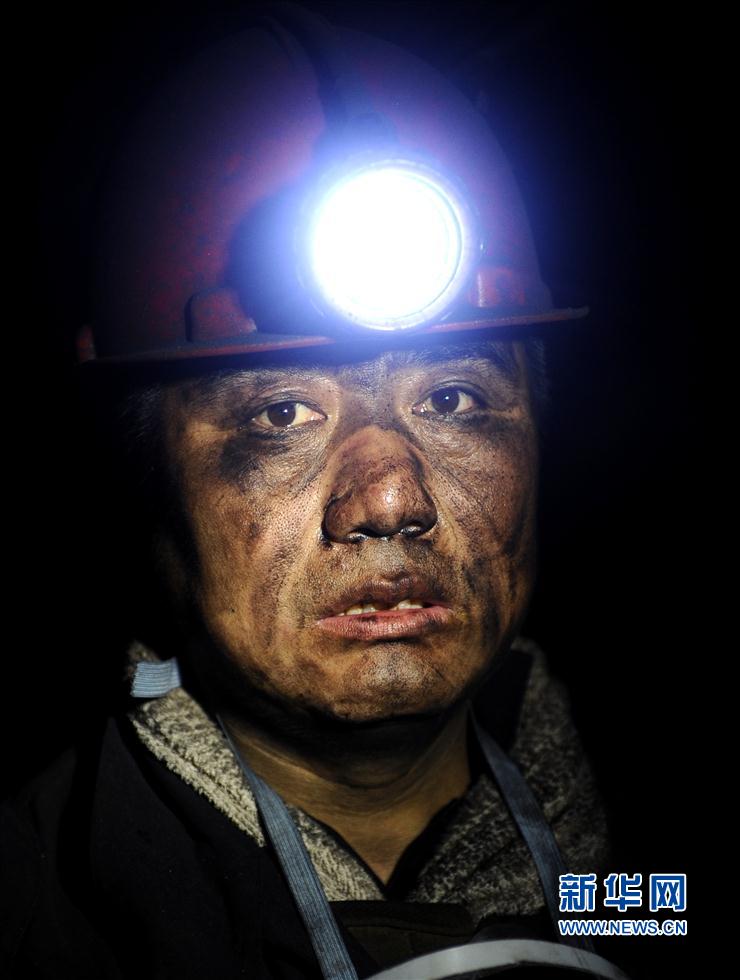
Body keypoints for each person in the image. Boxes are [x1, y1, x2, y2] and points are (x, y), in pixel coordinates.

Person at [1, 4, 676, 978]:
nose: (390, 498)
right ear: (146, 476)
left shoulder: (655, 863)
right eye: (280, 414)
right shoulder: (38, 917)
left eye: (452, 399)